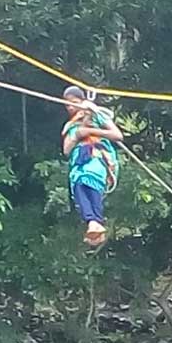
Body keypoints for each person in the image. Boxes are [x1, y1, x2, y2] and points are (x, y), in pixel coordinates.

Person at [61, 86, 123, 246]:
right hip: (78, 160)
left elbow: (117, 135)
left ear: (82, 101)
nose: (70, 107)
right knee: (78, 186)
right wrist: (78, 134)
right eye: (67, 104)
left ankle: (95, 221)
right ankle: (93, 223)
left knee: (90, 181)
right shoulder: (71, 125)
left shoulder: (98, 115)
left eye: (74, 102)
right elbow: (66, 150)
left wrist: (90, 131)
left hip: (97, 157)